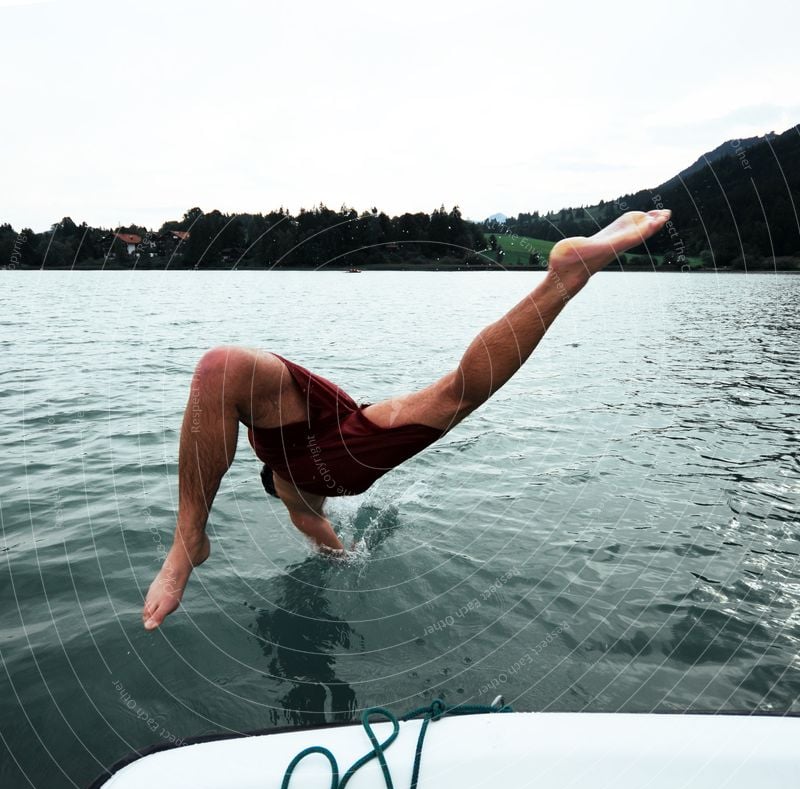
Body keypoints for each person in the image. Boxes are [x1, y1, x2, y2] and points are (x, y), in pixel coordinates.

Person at [142, 209, 671, 630]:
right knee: (451, 392)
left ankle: (191, 540)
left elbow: (324, 537)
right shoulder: (288, 480)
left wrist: (342, 557)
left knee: (451, 395)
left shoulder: (295, 496)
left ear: (273, 487)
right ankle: (562, 280)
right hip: (343, 430)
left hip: (341, 447)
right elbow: (318, 520)